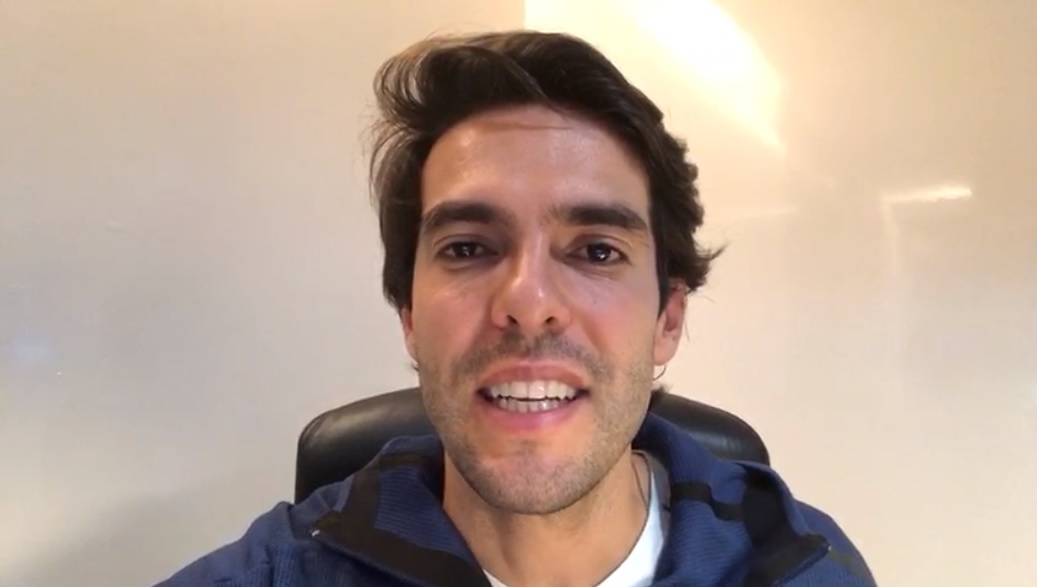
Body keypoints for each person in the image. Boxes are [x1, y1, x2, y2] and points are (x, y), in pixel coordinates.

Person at [159, 30, 875, 587]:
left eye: (596, 251)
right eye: (469, 248)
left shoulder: (805, 567)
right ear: (409, 315)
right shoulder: (276, 575)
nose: (528, 305)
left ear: (668, 319)